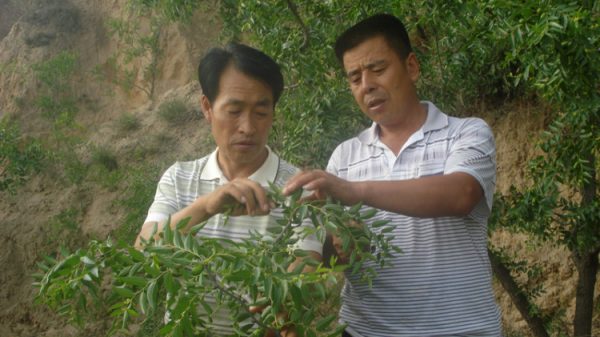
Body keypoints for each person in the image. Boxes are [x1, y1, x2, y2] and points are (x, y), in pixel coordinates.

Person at [283, 14, 502, 337]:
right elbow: (329, 256)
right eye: (354, 77)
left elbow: (460, 194)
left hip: (461, 329)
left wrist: (356, 190)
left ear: (411, 67)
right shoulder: (345, 156)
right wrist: (338, 246)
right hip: (365, 330)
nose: (367, 85)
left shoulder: (466, 133)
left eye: (378, 69)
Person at [135, 42, 322, 336]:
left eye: (261, 112)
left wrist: (283, 301)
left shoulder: (298, 187)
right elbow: (143, 250)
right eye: (234, 111)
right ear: (207, 108)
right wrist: (207, 206)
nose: (247, 127)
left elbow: (307, 267)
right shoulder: (179, 178)